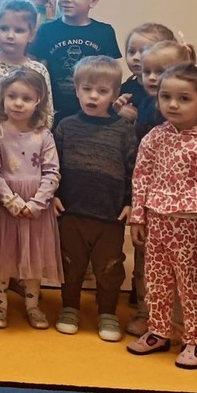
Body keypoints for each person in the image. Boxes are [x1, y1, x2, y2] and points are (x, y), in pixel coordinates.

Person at [126, 61, 197, 369]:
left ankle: (195, 340)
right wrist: (138, 217)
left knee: (189, 284)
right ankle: (159, 331)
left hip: (190, 223)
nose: (173, 104)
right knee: (156, 280)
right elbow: (141, 177)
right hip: (156, 219)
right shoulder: (154, 137)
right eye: (166, 97)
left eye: (184, 98)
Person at [53, 56, 137, 341]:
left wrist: (130, 202)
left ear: (115, 94)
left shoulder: (123, 130)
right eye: (86, 89)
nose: (93, 96)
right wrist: (54, 195)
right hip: (72, 211)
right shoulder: (65, 126)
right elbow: (54, 165)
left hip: (110, 215)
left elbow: (132, 169)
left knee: (109, 267)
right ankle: (69, 307)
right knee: (70, 264)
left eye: (102, 91)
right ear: (76, 90)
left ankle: (108, 312)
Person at [0, 67, 61, 330]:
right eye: (12, 96)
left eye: (26, 98)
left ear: (38, 101)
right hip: (7, 208)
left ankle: (32, 306)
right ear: (2, 98)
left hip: (37, 210)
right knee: (1, 259)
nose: (18, 103)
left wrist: (36, 203)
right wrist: (12, 202)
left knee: (33, 259)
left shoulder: (44, 135)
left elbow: (52, 172)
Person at [30, 0, 121, 123]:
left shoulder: (104, 32)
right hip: (55, 111)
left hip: (95, 111)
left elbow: (112, 73)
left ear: (93, 1)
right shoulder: (46, 30)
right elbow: (40, 71)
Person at [0, 0, 54, 132]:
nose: (10, 35)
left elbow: (46, 112)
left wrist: (34, 135)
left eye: (19, 30)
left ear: (31, 35)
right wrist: (3, 136)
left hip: (33, 138)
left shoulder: (39, 69)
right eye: (4, 28)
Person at [113, 22, 177, 123]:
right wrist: (118, 111)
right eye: (131, 51)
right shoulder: (125, 89)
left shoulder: (173, 91)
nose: (135, 57)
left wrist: (139, 118)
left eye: (143, 51)